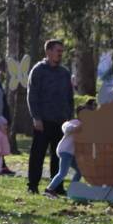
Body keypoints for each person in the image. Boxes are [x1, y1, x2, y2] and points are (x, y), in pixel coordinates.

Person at [26, 39, 74, 195]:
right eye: (58, 50)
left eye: (61, 51)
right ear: (48, 52)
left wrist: (70, 118)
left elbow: (69, 97)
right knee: (37, 155)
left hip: (61, 122)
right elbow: (32, 96)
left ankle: (56, 187)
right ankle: (32, 185)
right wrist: (36, 117)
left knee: (58, 155)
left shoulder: (64, 73)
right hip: (43, 120)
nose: (60, 54)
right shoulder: (38, 70)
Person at [45, 100, 95, 198]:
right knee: (63, 172)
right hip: (65, 151)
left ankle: (71, 191)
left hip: (72, 153)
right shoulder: (73, 122)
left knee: (81, 171)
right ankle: (49, 189)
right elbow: (67, 128)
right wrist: (79, 127)